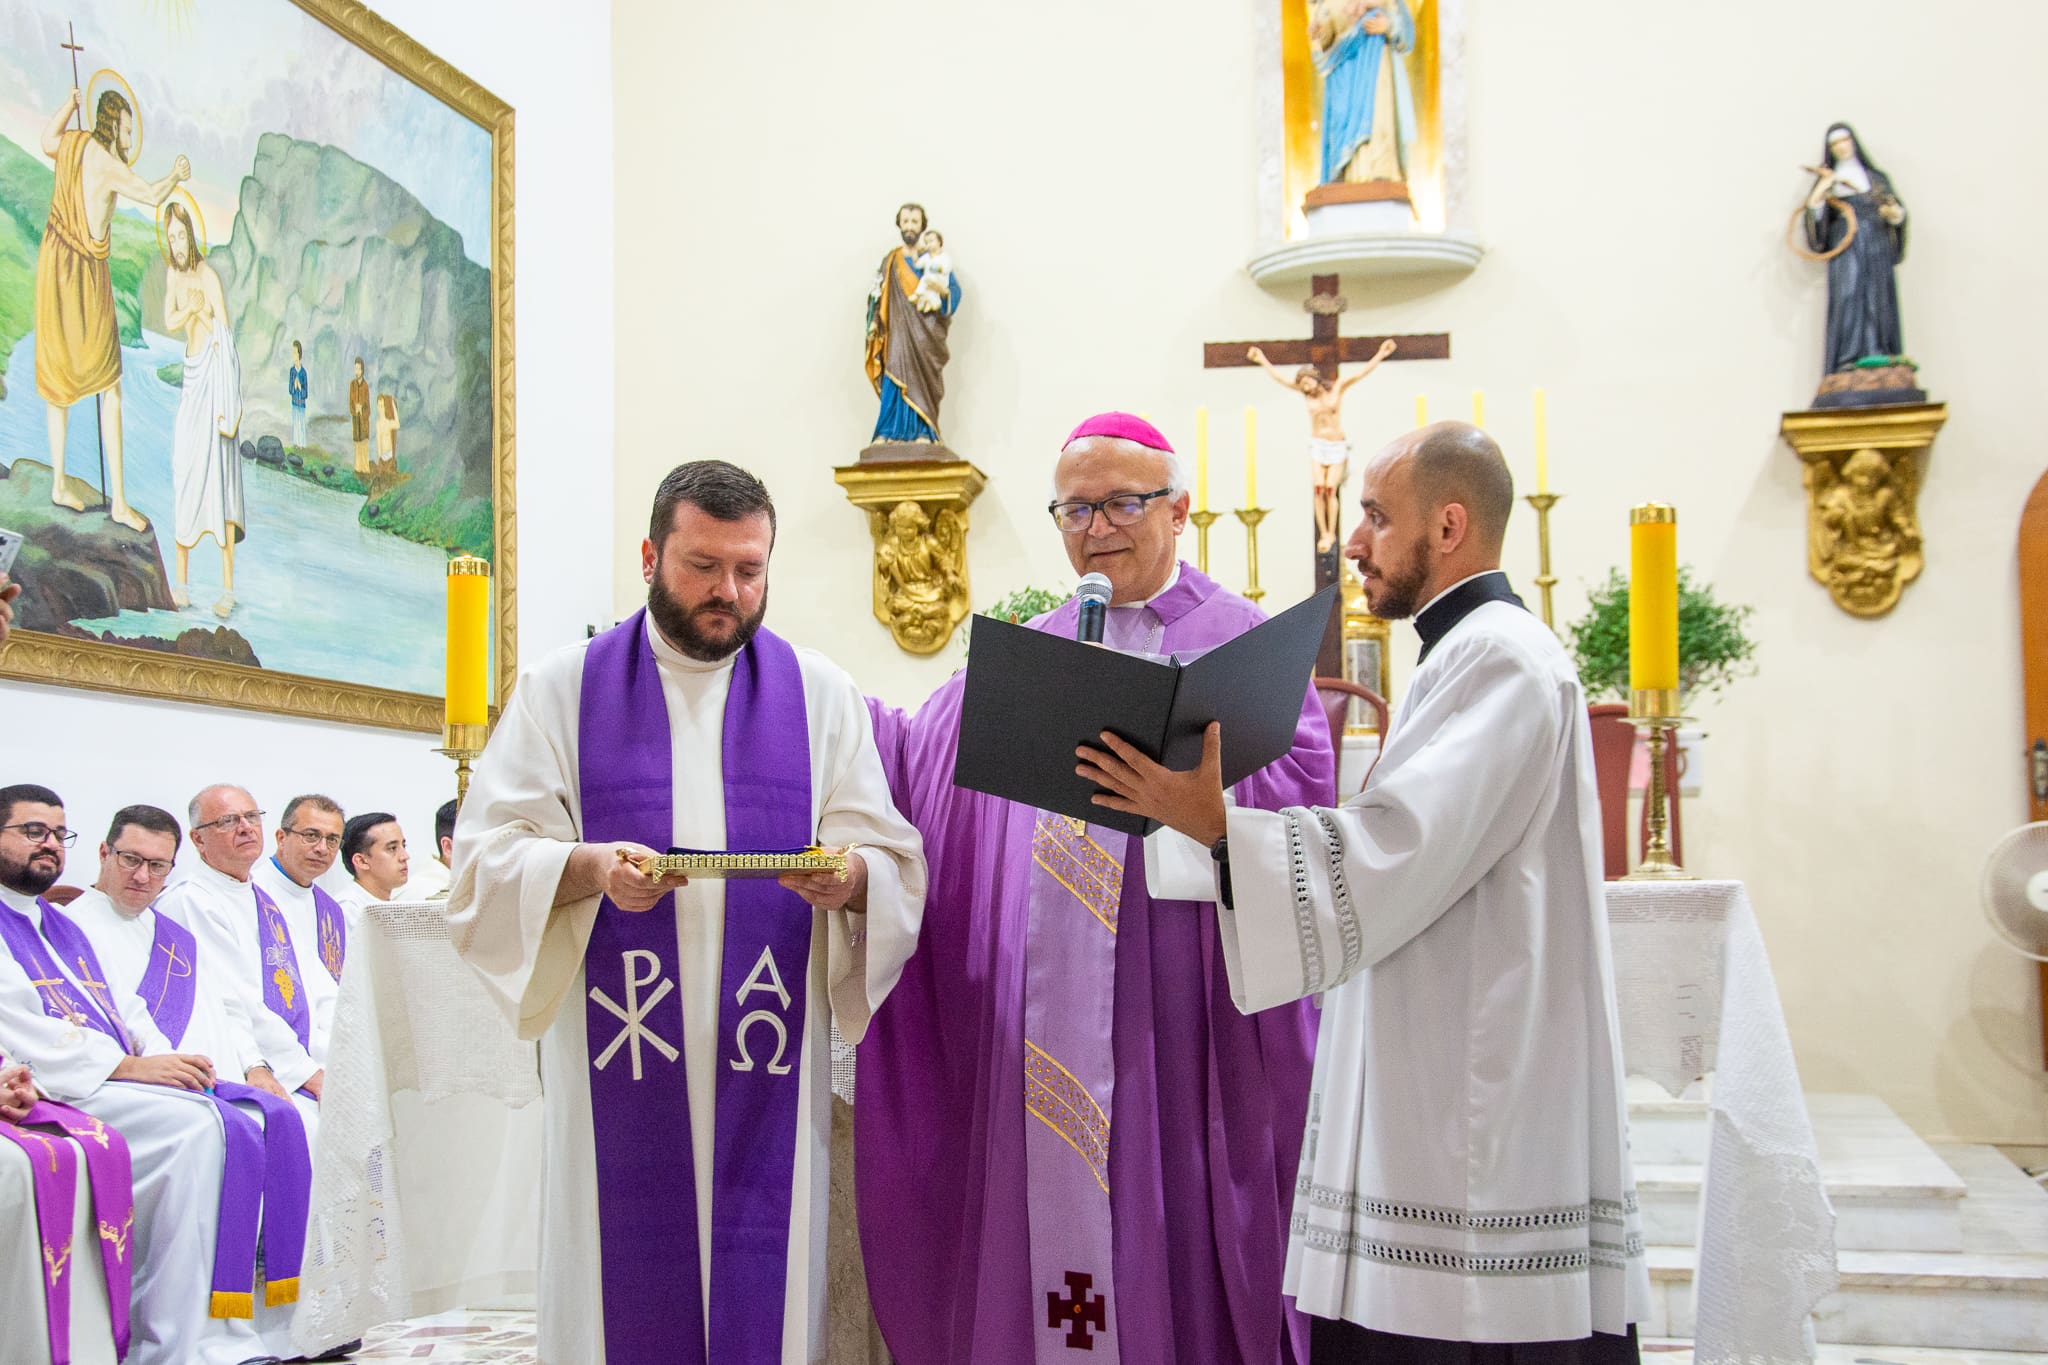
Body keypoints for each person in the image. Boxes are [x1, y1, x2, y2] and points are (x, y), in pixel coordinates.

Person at [1076, 422, 1650, 1363]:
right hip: (1447, 1071)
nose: (1352, 543)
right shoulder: (1467, 652)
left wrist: (1211, 823)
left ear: (1449, 526)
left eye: (1377, 517)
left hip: (1475, 1102)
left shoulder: (1501, 657)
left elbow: (1400, 849)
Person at [859, 412, 1334, 1365]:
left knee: (1174, 1231)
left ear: (1179, 510)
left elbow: (1306, 805)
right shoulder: (1034, 651)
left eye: (1122, 503)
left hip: (1182, 1023)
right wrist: (811, 704)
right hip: (1038, 1029)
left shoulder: (1241, 643)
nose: (1097, 527)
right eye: (1075, 509)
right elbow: (914, 760)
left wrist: (1208, 806)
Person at [448, 459, 927, 1365]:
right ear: (649, 556)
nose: (728, 592)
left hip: (765, 1060)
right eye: (703, 566)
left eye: (749, 569)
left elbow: (892, 856)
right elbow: (484, 863)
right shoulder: (562, 689)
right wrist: (588, 866)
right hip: (618, 1055)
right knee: (617, 1287)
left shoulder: (819, 693)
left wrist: (851, 878)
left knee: (765, 1288)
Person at [0, 784, 279, 1365]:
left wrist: (160, 1058)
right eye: (32, 831)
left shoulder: (55, 923)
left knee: (221, 1119)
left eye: (58, 834)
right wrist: (130, 1066)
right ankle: (171, 1342)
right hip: (60, 1086)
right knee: (198, 1130)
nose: (49, 844)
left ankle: (206, 1334)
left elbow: (120, 1005)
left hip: (101, 1076)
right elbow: (21, 1024)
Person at [64, 803, 315, 1359]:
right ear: (104, 853)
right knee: (222, 1132)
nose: (142, 877)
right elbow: (99, 1018)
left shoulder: (171, 933)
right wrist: (156, 1065)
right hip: (116, 1083)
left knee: (280, 1117)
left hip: (182, 1074)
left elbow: (228, 1005)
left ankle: (266, 1325)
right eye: (131, 860)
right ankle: (184, 1335)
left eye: (157, 866)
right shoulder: (73, 925)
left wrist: (254, 1066)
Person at [34, 86, 190, 532]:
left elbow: (47, 140)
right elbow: (154, 195)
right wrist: (176, 174)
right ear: (112, 127)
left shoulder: (76, 144)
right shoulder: (108, 165)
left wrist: (68, 105)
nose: (129, 139)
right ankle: (119, 501)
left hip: (54, 261)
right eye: (126, 130)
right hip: (83, 271)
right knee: (111, 384)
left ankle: (59, 483)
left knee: (59, 380)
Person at [156, 786, 325, 1102]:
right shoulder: (192, 901)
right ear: (198, 839)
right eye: (228, 821)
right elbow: (232, 998)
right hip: (237, 1060)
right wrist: (302, 1071)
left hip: (296, 1055)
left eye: (251, 817)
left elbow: (316, 986)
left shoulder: (264, 899)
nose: (246, 827)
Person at [164, 199, 245, 618]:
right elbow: (169, 320)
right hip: (191, 383)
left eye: (181, 236)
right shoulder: (174, 276)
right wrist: (191, 309)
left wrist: (204, 314)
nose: (177, 245)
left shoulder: (208, 276)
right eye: (171, 238)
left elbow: (225, 334)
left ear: (191, 234)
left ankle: (227, 588)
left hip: (214, 388)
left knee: (219, 485)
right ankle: (181, 584)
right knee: (185, 472)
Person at [1249, 338, 1397, 552]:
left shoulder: (1337, 389)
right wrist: (1262, 359)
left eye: (1307, 382)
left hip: (1336, 445)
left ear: (1315, 379)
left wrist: (1381, 354)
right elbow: (1280, 378)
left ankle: (1331, 531)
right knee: (1318, 488)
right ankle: (1324, 532)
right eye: (1301, 385)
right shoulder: (1306, 396)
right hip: (1318, 445)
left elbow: (1361, 373)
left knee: (1329, 488)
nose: (1304, 387)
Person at [247, 795, 352, 1057]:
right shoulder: (252, 895)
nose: (322, 848)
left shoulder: (330, 911)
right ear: (281, 837)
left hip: (327, 1047)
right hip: (272, 1048)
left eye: (332, 840)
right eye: (311, 835)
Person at [864, 202, 961, 444]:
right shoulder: (891, 261)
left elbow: (953, 290)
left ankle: (923, 431)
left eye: (914, 222)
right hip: (897, 333)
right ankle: (887, 431)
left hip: (925, 334)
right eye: (905, 221)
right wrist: (874, 321)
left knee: (922, 383)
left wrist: (943, 291)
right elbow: (877, 295)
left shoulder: (933, 259)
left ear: (922, 226)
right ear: (899, 224)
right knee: (894, 376)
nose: (909, 226)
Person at [337, 811, 409, 915]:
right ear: (361, 861)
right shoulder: (348, 909)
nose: (405, 856)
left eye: (404, 846)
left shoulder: (392, 904)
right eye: (392, 848)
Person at [910, 228, 951, 312]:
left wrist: (938, 269)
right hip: (929, 280)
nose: (929, 244)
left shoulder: (944, 257)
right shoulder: (926, 257)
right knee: (928, 289)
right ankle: (931, 304)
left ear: (939, 242)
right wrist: (915, 255)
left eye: (931, 241)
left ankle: (918, 294)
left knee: (926, 279)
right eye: (926, 242)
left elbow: (946, 269)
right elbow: (918, 265)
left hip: (940, 280)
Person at [348, 358, 371, 478]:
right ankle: (357, 469)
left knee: (364, 444)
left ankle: (365, 470)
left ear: (362, 370)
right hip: (355, 420)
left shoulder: (365, 386)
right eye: (355, 368)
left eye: (358, 369)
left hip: (363, 421)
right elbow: (350, 404)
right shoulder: (352, 385)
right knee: (357, 444)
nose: (356, 371)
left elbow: (368, 407)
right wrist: (355, 410)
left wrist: (361, 410)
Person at [287, 340, 310, 448]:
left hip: (301, 403)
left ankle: (302, 444)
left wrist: (300, 387)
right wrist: (294, 386)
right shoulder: (292, 371)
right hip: (294, 403)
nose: (293, 355)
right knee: (296, 423)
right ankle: (296, 443)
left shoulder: (303, 372)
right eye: (293, 352)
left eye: (295, 353)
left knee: (301, 423)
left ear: (299, 354)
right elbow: (290, 390)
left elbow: (306, 393)